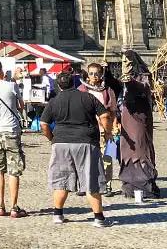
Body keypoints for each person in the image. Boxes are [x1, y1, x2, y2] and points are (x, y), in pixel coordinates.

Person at [40, 71, 112, 227]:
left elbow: (44, 124)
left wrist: (52, 139)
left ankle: (58, 214)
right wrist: (107, 133)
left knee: (61, 180)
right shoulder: (88, 97)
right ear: (74, 83)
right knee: (91, 179)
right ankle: (99, 218)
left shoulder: (54, 101)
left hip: (61, 143)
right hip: (86, 142)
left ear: (59, 85)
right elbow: (105, 116)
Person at [0, 59, 28, 218]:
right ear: (1, 71)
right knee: (14, 171)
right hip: (11, 130)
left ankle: (0, 206)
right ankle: (14, 207)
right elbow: (21, 106)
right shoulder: (11, 86)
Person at [118, 49, 160, 199]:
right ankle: (129, 185)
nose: (125, 64)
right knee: (127, 150)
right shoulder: (124, 77)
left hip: (139, 117)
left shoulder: (143, 76)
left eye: (128, 61)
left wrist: (130, 82)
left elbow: (142, 87)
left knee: (140, 149)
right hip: (126, 117)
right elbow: (113, 86)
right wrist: (106, 72)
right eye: (123, 61)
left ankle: (144, 184)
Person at [79, 62, 118, 196]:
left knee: (107, 157)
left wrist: (114, 127)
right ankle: (85, 184)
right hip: (87, 130)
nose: (94, 76)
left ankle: (107, 185)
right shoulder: (82, 90)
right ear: (87, 75)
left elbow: (113, 111)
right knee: (86, 159)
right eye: (91, 73)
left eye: (97, 73)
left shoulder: (108, 90)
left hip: (105, 129)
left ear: (101, 74)